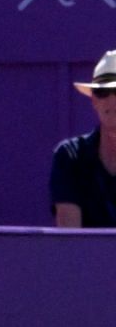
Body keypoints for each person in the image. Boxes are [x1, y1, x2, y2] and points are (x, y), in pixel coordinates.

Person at [51, 50, 116, 228]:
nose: (112, 99)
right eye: (103, 93)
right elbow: (70, 244)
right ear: (94, 100)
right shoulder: (70, 157)